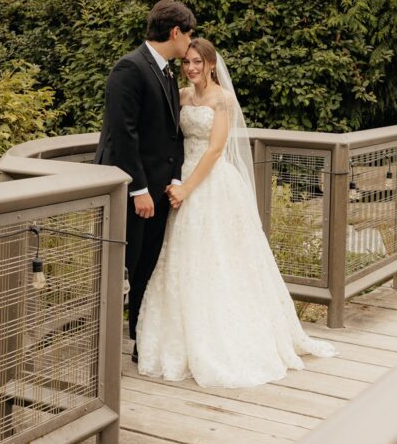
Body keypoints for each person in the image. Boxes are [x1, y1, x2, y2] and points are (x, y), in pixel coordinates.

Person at [136, 37, 337, 388]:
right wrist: (173, 179)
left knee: (224, 259)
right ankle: (180, 340)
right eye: (187, 63)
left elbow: (214, 151)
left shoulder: (222, 100)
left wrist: (186, 187)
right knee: (184, 259)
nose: (192, 68)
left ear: (212, 64)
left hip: (211, 184)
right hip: (182, 182)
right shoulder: (182, 97)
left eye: (198, 62)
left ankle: (230, 337)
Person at [95, 0, 197, 360]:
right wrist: (138, 189)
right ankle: (105, 351)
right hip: (133, 191)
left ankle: (142, 343)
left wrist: (172, 178)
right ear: (175, 32)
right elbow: (123, 135)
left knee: (148, 269)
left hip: (159, 189)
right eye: (189, 34)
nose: (190, 42)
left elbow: (171, 134)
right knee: (127, 267)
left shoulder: (167, 71)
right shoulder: (129, 69)